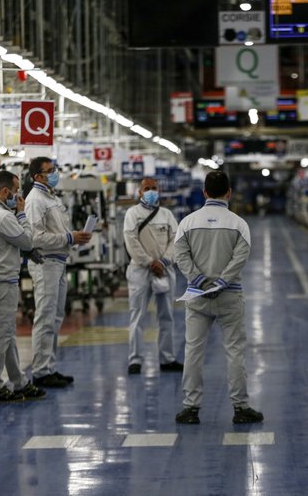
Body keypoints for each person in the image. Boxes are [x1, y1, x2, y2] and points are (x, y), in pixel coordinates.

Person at [174, 171, 263, 425]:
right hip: (229, 295)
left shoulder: (187, 223)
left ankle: (191, 408)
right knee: (235, 351)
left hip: (197, 295)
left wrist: (198, 279)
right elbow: (241, 257)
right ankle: (240, 407)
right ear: (229, 193)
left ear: (204, 192)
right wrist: (223, 280)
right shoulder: (239, 224)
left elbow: (180, 254)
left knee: (193, 351)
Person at [0, 170, 45, 402]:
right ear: (4, 192)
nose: (18, 197)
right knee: (1, 335)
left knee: (6, 334)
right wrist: (22, 214)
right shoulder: (3, 216)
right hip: (2, 281)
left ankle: (18, 382)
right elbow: (27, 240)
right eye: (15, 192)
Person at [25, 157, 92, 388]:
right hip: (46, 264)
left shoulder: (51, 197)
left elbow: (57, 231)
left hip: (59, 262)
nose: (55, 174)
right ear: (38, 176)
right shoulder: (35, 200)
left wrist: (75, 238)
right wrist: (69, 237)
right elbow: (35, 237)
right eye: (50, 171)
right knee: (44, 317)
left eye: (55, 169)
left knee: (54, 317)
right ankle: (40, 371)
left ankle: (49, 367)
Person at [123, 177, 183, 375]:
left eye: (154, 188)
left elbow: (176, 240)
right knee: (137, 316)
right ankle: (135, 360)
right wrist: (150, 262)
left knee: (166, 317)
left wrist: (164, 261)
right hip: (140, 271)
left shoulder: (166, 215)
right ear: (139, 192)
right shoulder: (132, 214)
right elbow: (131, 241)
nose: (150, 191)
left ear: (159, 190)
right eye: (146, 188)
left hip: (165, 271)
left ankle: (167, 358)